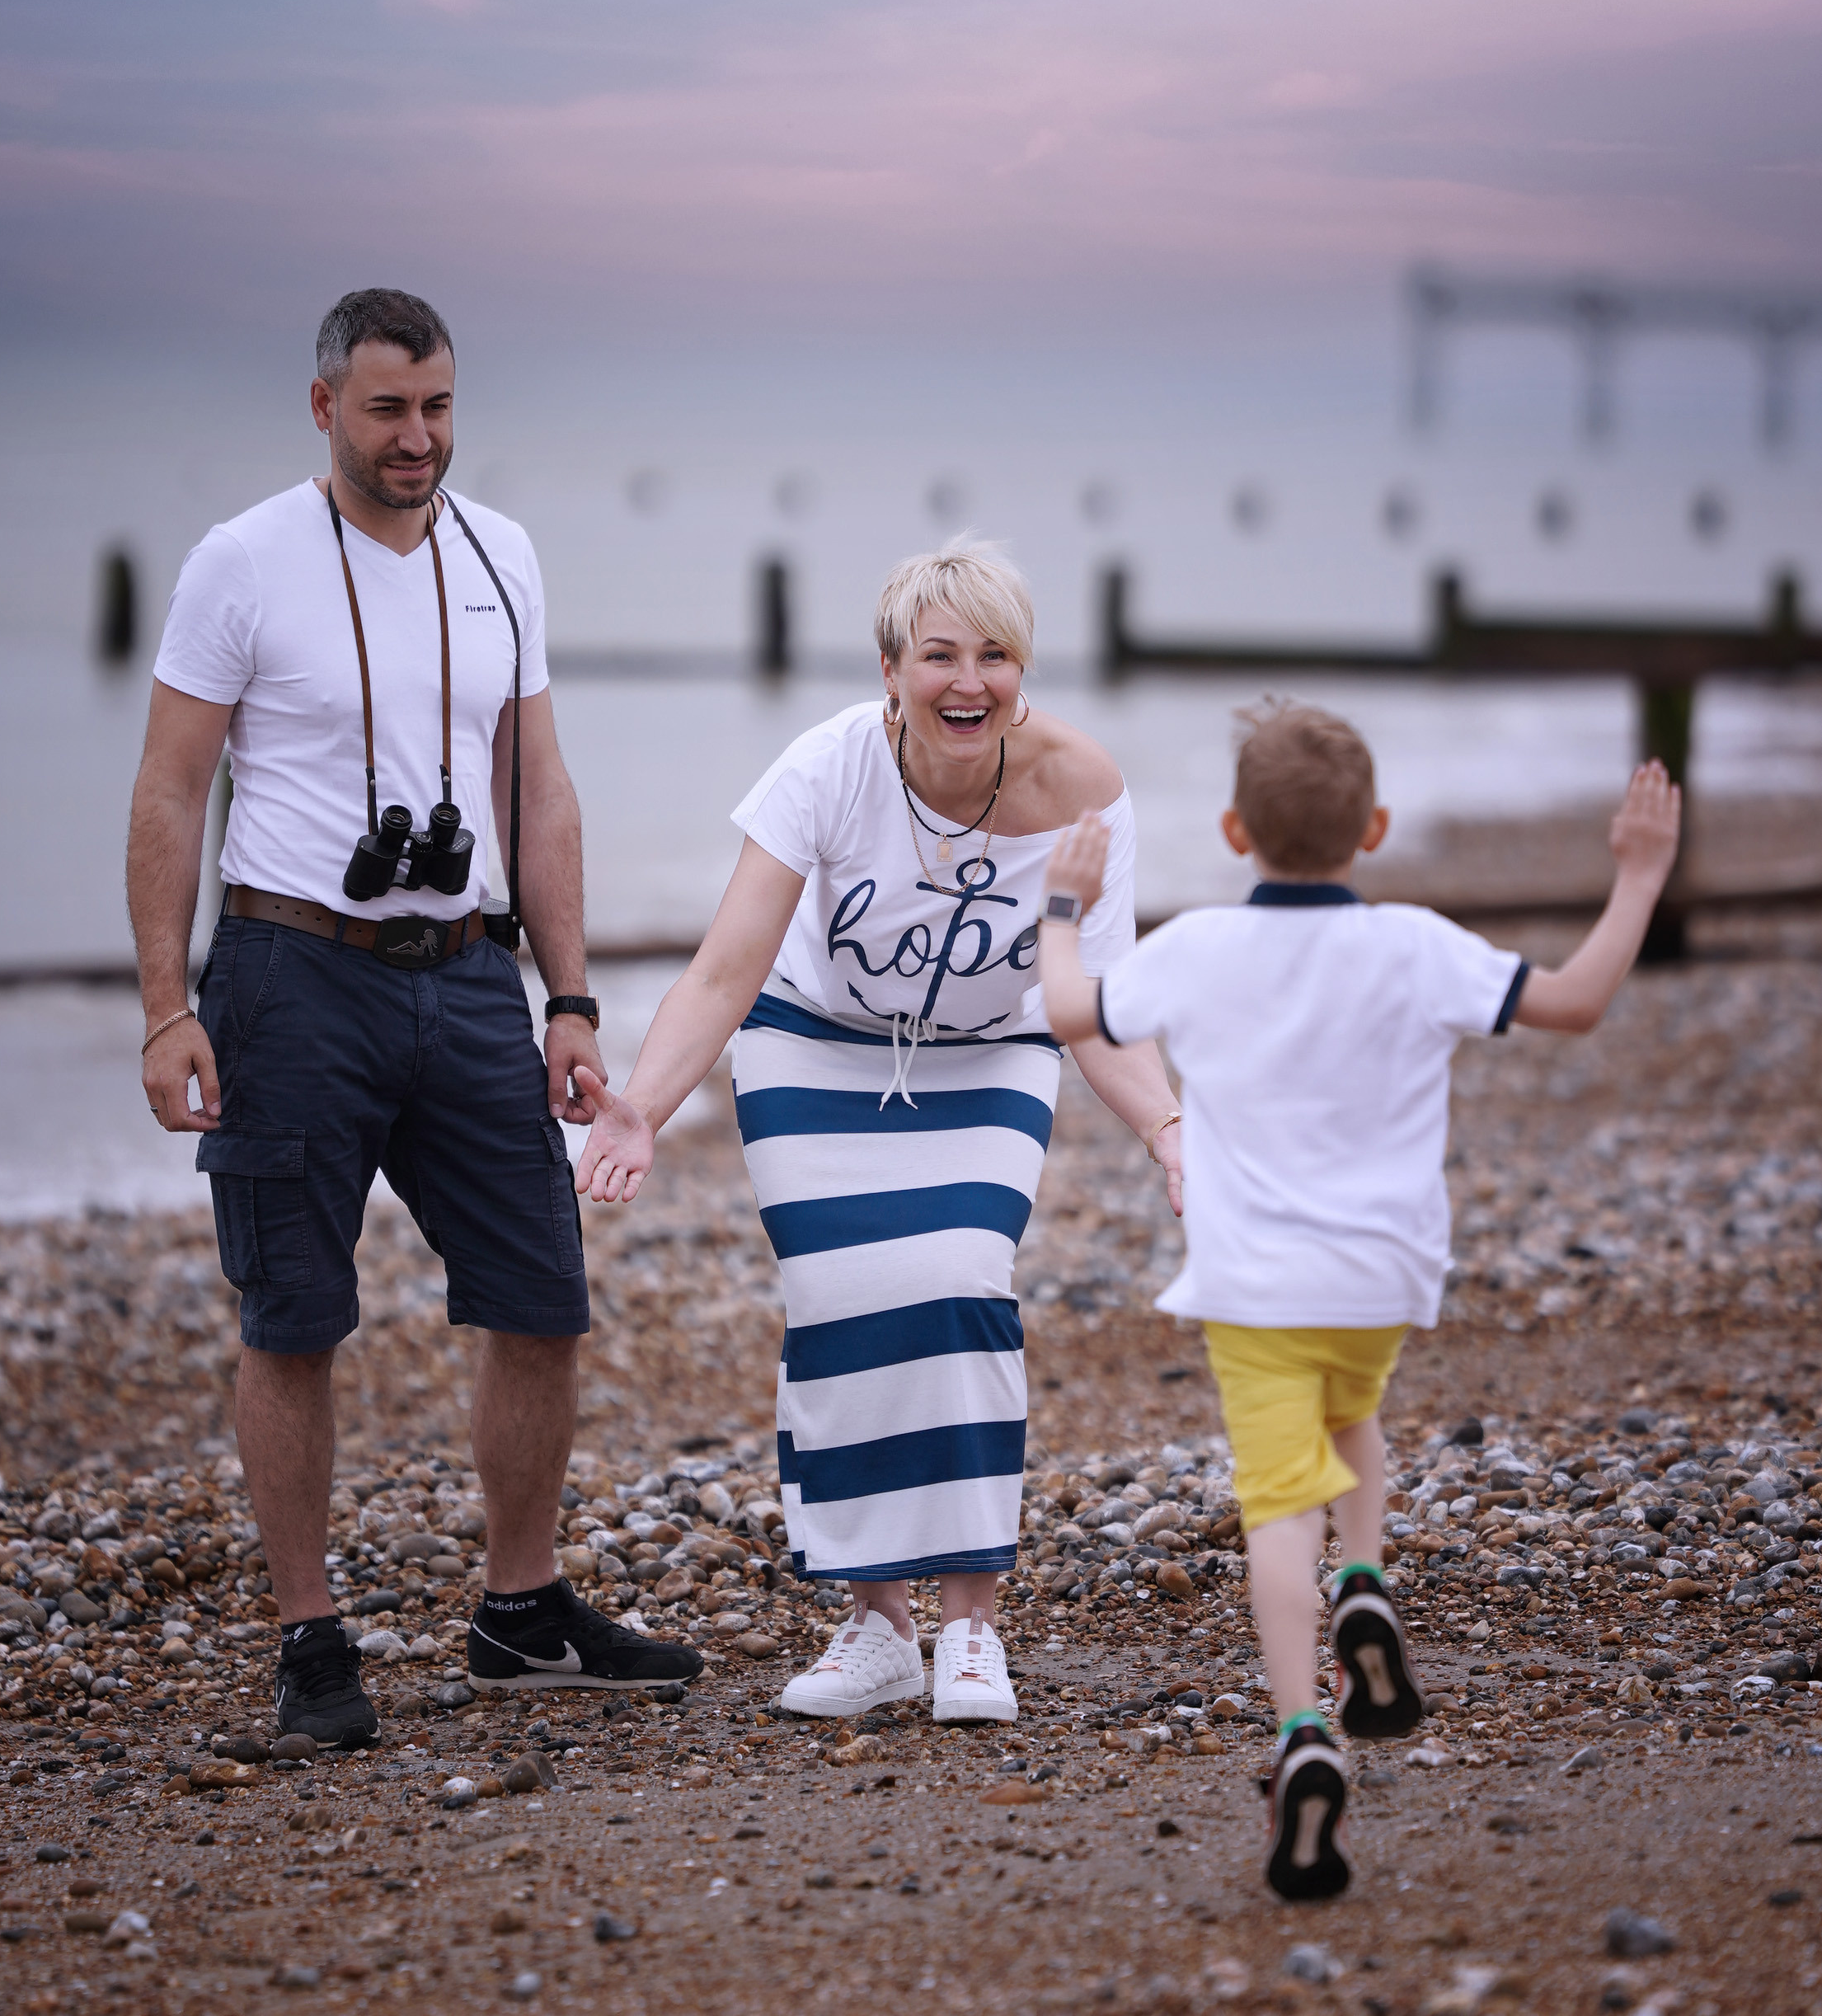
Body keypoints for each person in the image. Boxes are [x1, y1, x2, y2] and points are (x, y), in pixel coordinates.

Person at [127, 286, 702, 1746]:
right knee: (296, 1314)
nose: (418, 437)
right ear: (323, 405)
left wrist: (568, 996)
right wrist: (162, 1008)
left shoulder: (499, 554)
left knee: (540, 1288)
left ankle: (520, 1609)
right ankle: (310, 1641)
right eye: (387, 408)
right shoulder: (241, 562)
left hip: (464, 972)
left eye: (438, 405)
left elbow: (538, 784)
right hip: (288, 973)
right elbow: (170, 791)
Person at [1038, 701, 1681, 1899]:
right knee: (1353, 1416)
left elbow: (1071, 1011)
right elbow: (1576, 997)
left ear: (1234, 831)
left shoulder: (1195, 946)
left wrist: (1062, 908)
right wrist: (1638, 876)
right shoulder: (1417, 942)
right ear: (1372, 828)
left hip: (1252, 1284)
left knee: (1278, 1502)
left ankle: (1302, 1735)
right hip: (1379, 1277)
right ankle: (1366, 1580)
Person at [570, 544, 1183, 1726]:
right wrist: (644, 1099)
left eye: (993, 655)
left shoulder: (1082, 790)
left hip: (989, 1052)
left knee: (957, 1278)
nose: (969, 680)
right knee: (838, 1300)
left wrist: (1163, 1123)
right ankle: (876, 1625)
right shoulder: (827, 769)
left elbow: (1093, 998)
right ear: (890, 668)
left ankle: (968, 1627)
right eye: (939, 654)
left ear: (1023, 668)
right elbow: (728, 967)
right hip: (814, 1045)